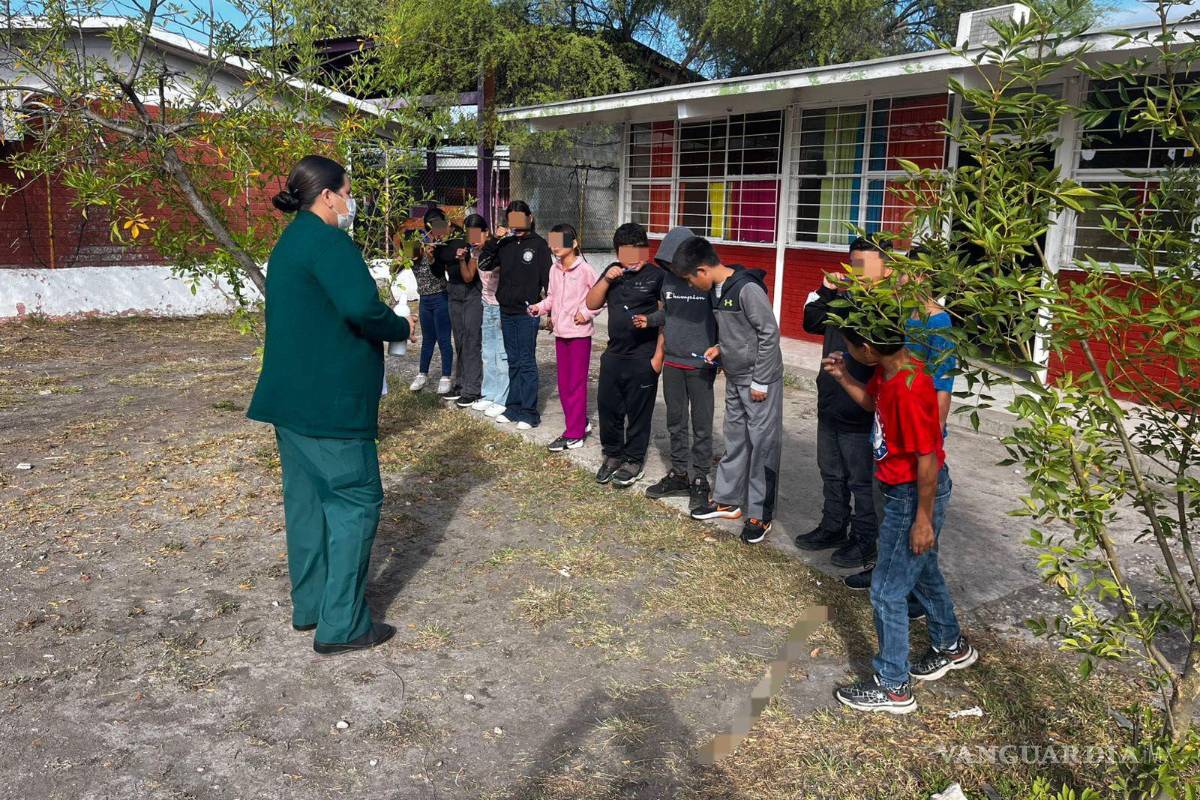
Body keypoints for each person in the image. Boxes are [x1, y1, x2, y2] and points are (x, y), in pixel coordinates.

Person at [247, 154, 411, 655]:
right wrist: (400, 325)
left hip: (291, 400)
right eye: (348, 193)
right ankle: (341, 625)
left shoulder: (290, 241)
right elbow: (361, 307)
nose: (350, 202)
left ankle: (312, 605)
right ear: (327, 196)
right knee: (355, 500)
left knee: (308, 505)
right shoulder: (329, 242)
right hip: (331, 404)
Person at [822, 323, 976, 714]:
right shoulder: (888, 371)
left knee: (887, 591)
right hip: (902, 489)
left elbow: (928, 458)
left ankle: (893, 686)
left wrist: (922, 519)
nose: (847, 352)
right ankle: (951, 644)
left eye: (850, 348)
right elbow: (874, 407)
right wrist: (843, 377)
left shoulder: (910, 388)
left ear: (868, 348)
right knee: (923, 571)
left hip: (913, 494)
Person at [842, 243, 958, 593]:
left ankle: (910, 588)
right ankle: (887, 565)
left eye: (905, 271)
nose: (897, 276)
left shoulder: (938, 321)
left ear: (923, 275)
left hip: (916, 431)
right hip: (888, 426)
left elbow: (943, 386)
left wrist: (933, 437)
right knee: (887, 509)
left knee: (913, 515)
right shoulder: (899, 312)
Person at [670, 237, 783, 545]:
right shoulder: (717, 290)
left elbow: (769, 334)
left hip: (759, 382)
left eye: (690, 279)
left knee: (762, 447)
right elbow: (741, 333)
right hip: (734, 377)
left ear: (703, 270)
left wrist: (761, 380)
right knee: (735, 441)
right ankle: (727, 500)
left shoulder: (747, 289)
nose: (691, 285)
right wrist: (720, 348)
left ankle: (760, 514)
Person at [794, 237, 882, 570]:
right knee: (831, 473)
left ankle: (864, 540)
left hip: (860, 407)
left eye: (866, 264)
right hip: (830, 401)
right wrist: (827, 288)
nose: (859, 271)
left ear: (884, 267)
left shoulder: (884, 309)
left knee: (861, 481)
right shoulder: (841, 299)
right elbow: (810, 320)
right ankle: (833, 526)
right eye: (854, 263)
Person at [638, 226, 717, 514]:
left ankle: (700, 478)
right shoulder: (668, 281)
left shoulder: (706, 282)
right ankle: (680, 474)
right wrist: (649, 320)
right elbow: (669, 313)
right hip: (673, 361)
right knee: (676, 421)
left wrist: (720, 350)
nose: (673, 268)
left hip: (700, 365)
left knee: (702, 424)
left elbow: (722, 318)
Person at [585, 222, 665, 487]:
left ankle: (633, 459)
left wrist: (658, 357)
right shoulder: (612, 272)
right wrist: (607, 279)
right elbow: (591, 303)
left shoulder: (657, 276)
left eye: (637, 252)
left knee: (638, 413)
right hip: (613, 354)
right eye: (626, 253)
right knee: (608, 408)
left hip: (643, 357)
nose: (632, 259)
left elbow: (666, 316)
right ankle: (612, 455)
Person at [477, 200, 551, 430]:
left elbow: (549, 280)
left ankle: (529, 413)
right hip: (506, 310)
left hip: (528, 312)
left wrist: (550, 312)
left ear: (530, 218)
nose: (516, 224)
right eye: (512, 219)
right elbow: (485, 264)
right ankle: (513, 407)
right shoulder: (505, 244)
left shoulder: (539, 245)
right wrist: (494, 240)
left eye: (520, 218)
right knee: (513, 360)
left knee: (526, 361)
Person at [528, 223, 598, 452]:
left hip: (579, 335)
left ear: (574, 243)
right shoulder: (554, 269)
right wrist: (539, 308)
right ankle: (579, 423)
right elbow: (551, 297)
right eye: (553, 242)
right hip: (560, 333)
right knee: (564, 385)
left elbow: (601, 297)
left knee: (576, 384)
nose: (555, 247)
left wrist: (586, 313)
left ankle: (574, 434)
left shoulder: (585, 270)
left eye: (560, 242)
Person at [408, 206, 454, 395]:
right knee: (428, 339)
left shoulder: (441, 245)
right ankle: (422, 374)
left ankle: (446, 376)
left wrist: (434, 255)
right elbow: (399, 264)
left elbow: (443, 268)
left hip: (441, 296)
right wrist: (410, 254)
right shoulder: (415, 242)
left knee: (443, 339)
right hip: (424, 300)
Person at [467, 216, 510, 416]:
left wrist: (497, 240)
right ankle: (489, 394)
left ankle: (502, 398)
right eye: (470, 236)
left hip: (501, 307)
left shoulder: (500, 248)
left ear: (486, 232)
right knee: (487, 353)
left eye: (477, 235)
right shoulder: (475, 252)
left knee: (501, 355)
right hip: (487, 306)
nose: (473, 240)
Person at [446, 216, 484, 408]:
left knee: (471, 340)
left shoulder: (480, 248)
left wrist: (462, 259)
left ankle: (472, 389)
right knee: (459, 340)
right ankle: (461, 384)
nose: (471, 236)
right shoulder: (453, 244)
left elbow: (469, 277)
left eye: (475, 232)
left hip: (474, 295)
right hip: (454, 293)